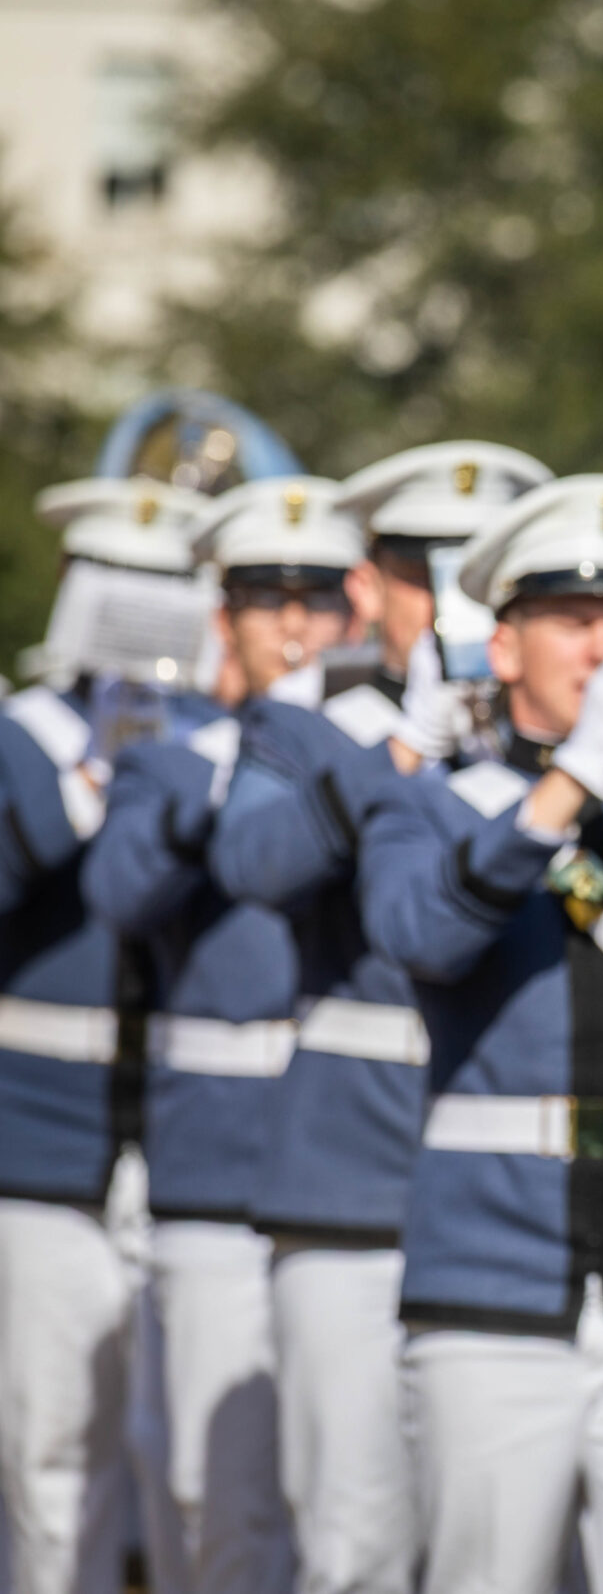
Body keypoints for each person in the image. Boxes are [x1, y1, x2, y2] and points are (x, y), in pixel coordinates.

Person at [357, 474, 603, 1594]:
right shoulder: (432, 798)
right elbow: (420, 933)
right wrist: (569, 782)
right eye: (577, 623)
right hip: (489, 1276)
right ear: (505, 644)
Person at [206, 442, 548, 1594]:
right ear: (370, 585)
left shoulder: (554, 741)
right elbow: (253, 861)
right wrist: (403, 753)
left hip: (511, 1200)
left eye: (474, 576)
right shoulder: (312, 719)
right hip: (351, 1182)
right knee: (352, 1545)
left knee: (500, 1553)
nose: (446, 601)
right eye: (422, 572)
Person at [88, 475, 373, 1594]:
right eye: (267, 601)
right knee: (212, 1496)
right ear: (227, 619)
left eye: (315, 602)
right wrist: (231, 770)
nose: (295, 627)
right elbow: (120, 892)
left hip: (353, 1168)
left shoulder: (380, 752)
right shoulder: (170, 760)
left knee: (349, 1499)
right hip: (216, 1169)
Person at [0, 476, 214, 1594]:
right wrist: (81, 784)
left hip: (179, 1149)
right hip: (40, 1154)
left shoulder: (216, 741)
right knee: (50, 1456)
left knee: (186, 1457)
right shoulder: (18, 741)